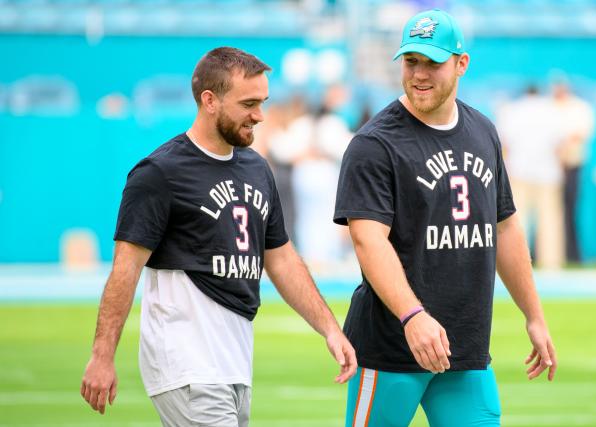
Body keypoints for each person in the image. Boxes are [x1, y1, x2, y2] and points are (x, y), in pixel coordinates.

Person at [80, 47, 356, 427]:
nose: (259, 115)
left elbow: (282, 259)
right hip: (186, 365)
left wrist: (329, 328)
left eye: (262, 102)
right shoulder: (159, 173)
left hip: (235, 364)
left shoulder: (258, 169)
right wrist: (102, 355)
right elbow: (124, 272)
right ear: (209, 101)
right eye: (248, 104)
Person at [333, 10, 557, 427]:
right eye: (411, 61)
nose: (420, 74)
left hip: (464, 348)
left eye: (432, 62)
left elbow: (505, 226)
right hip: (391, 348)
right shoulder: (374, 144)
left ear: (461, 63)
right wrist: (412, 317)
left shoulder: (483, 131)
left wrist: (534, 315)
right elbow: (368, 241)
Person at [496, 85, 565, 269]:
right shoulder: (552, 110)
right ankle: (551, 264)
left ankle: (517, 261)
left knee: (516, 220)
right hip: (547, 172)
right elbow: (560, 143)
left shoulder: (513, 110)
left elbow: (504, 144)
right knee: (549, 221)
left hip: (520, 170)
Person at [552, 79, 596, 263]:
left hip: (571, 165)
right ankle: (550, 253)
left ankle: (572, 253)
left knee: (569, 209)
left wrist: (562, 146)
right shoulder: (549, 107)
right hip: (551, 166)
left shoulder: (579, 108)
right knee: (551, 212)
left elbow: (580, 135)